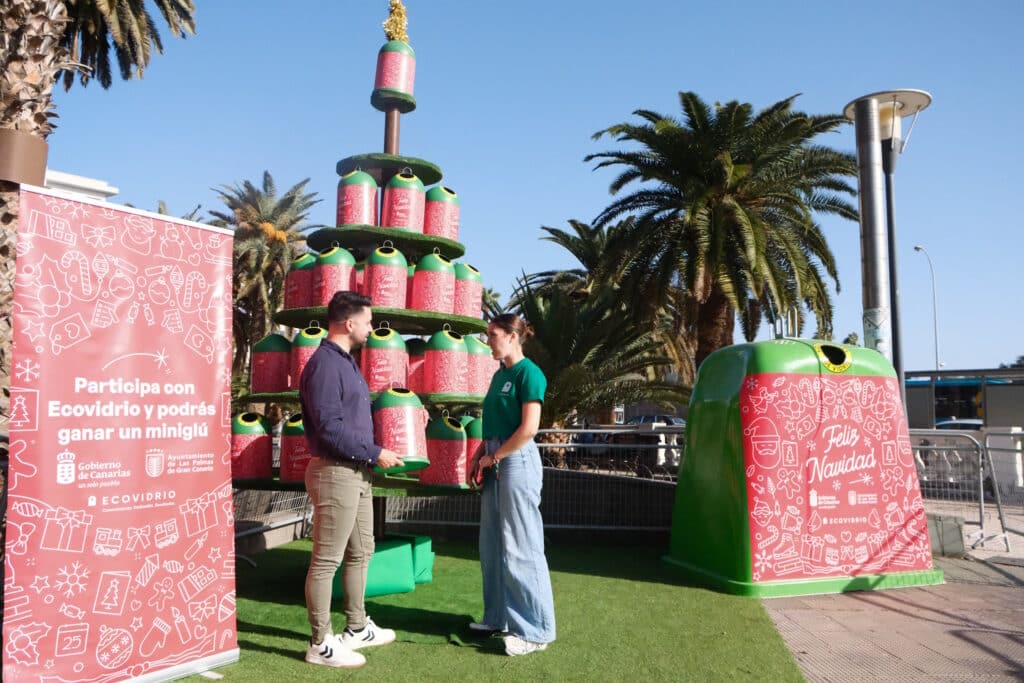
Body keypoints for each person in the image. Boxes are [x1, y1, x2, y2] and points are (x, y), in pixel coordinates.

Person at [299, 290, 404, 668]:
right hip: (336, 472)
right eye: (368, 321)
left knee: (362, 551)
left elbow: (354, 420)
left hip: (357, 472)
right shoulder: (326, 365)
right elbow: (328, 429)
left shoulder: (346, 363)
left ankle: (357, 627)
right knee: (327, 559)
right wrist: (376, 452)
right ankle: (320, 641)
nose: (371, 328)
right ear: (349, 323)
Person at [467, 313, 556, 656]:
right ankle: (497, 618)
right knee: (491, 544)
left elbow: (529, 428)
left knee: (522, 545)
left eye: (493, 334)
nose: (488, 340)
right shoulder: (499, 374)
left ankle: (535, 631)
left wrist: (495, 456)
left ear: (512, 337)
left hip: (516, 459)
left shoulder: (529, 373)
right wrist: (479, 456)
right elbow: (493, 425)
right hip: (495, 456)